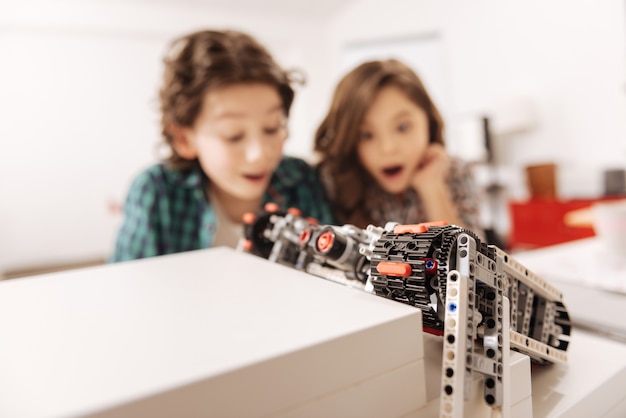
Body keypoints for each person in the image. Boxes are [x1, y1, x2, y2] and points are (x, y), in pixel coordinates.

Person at [111, 29, 334, 262]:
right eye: (233, 136)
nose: (259, 154)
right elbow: (129, 289)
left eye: (271, 128)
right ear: (184, 139)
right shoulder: (156, 191)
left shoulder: (301, 180)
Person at [314, 59, 483, 236]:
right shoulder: (334, 182)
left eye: (403, 127)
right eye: (366, 135)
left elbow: (472, 261)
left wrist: (433, 188)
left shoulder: (455, 174)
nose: (388, 148)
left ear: (429, 122)